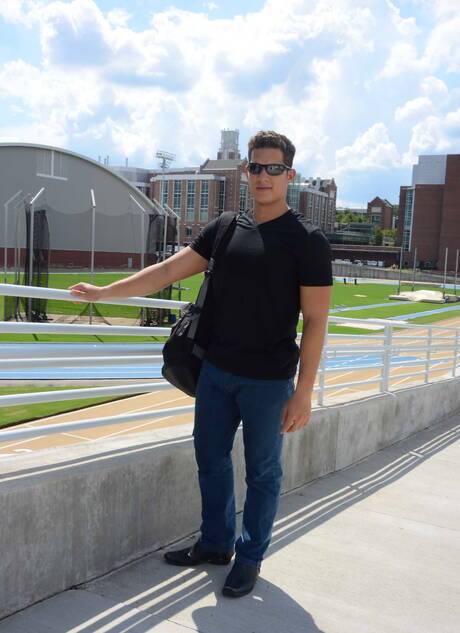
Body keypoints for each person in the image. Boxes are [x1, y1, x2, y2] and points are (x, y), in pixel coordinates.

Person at [69, 130, 333, 598]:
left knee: (263, 473)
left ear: (290, 175)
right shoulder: (226, 227)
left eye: (274, 168)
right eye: (256, 167)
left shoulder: (307, 241)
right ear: (246, 172)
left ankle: (249, 558)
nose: (264, 176)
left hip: (268, 380)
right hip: (215, 371)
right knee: (210, 461)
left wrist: (304, 391)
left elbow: (315, 321)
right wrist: (105, 293)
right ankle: (215, 543)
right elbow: (168, 270)